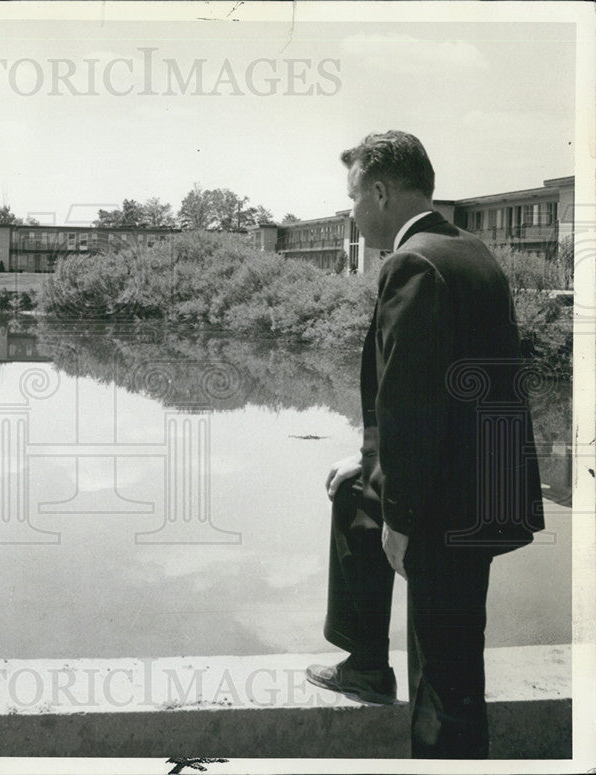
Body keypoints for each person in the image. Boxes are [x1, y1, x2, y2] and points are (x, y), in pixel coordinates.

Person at [306, 130, 544, 758]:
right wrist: (367, 461)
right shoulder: (471, 251)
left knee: (442, 682)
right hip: (486, 489)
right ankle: (365, 664)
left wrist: (403, 520)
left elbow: (407, 402)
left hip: (444, 506)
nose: (353, 212)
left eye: (354, 197)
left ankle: (413, 722)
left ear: (381, 191)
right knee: (353, 493)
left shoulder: (411, 263)